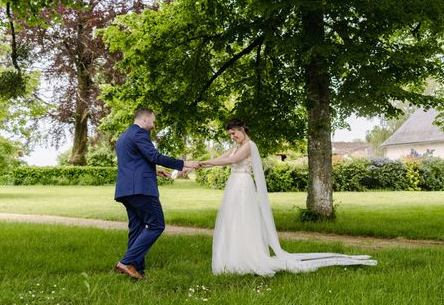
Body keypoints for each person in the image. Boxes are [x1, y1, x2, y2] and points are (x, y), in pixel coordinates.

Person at [190, 119, 377, 277]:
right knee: (232, 221)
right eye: (230, 134)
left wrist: (204, 162)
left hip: (243, 186)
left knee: (242, 219)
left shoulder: (249, 146)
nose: (232, 136)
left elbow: (230, 161)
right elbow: (221, 158)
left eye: (234, 133)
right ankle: (233, 257)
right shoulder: (235, 146)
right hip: (233, 185)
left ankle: (246, 257)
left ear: (242, 129)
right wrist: (195, 165)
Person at [114, 108, 198, 279]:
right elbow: (154, 156)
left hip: (126, 190)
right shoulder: (139, 133)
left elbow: (134, 162)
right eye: (153, 121)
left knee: (137, 228)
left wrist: (155, 171)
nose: (153, 125)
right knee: (156, 225)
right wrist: (183, 164)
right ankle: (125, 262)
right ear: (144, 119)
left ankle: (137, 272)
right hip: (141, 189)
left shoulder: (124, 136)